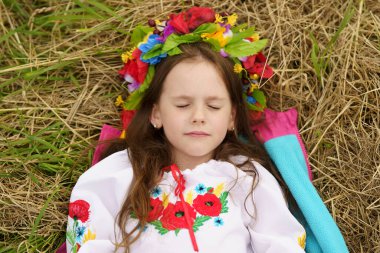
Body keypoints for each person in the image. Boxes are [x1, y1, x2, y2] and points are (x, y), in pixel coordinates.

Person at [66, 7, 306, 253]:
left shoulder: (248, 179)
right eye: (183, 104)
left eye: (213, 106)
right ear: (156, 113)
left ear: (232, 117)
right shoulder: (117, 175)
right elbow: (89, 243)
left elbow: (282, 243)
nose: (198, 117)